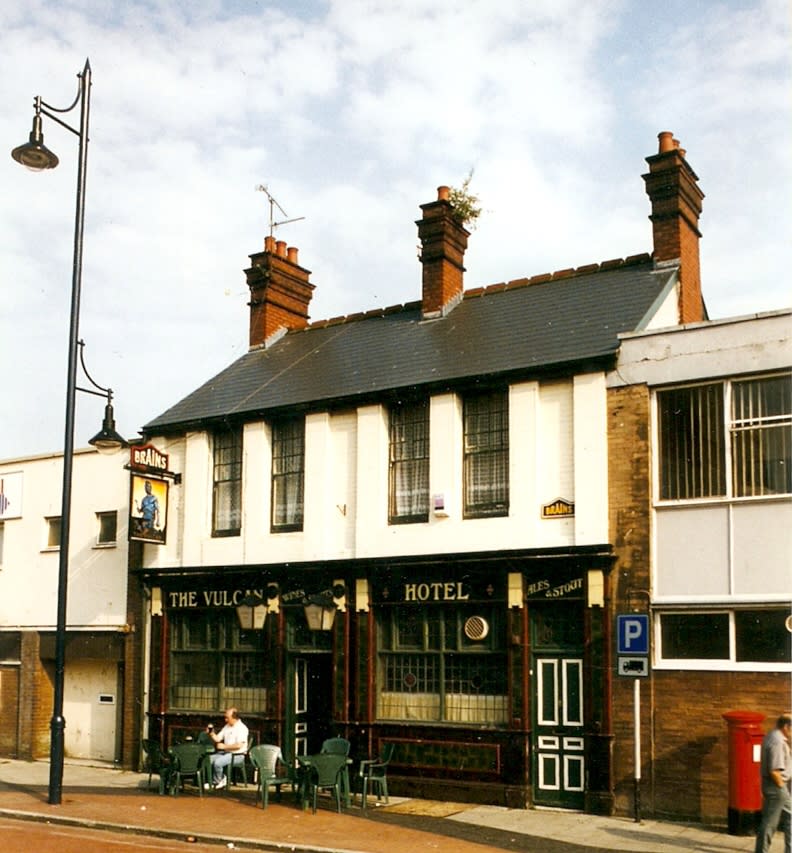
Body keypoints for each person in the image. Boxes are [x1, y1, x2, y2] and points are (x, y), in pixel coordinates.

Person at [755, 712, 792, 853]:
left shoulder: (772, 736)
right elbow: (774, 770)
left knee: (790, 816)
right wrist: (782, 788)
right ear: (786, 727)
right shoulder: (777, 742)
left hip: (777, 787)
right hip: (777, 787)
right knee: (770, 823)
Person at [205, 707, 249, 790]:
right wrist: (211, 733)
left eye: (227, 718)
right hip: (226, 753)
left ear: (234, 717)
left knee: (218, 763)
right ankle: (218, 779)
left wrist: (224, 746)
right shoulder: (227, 726)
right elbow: (218, 739)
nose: (225, 720)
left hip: (237, 755)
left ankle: (218, 781)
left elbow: (239, 746)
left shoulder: (242, 728)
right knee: (208, 759)